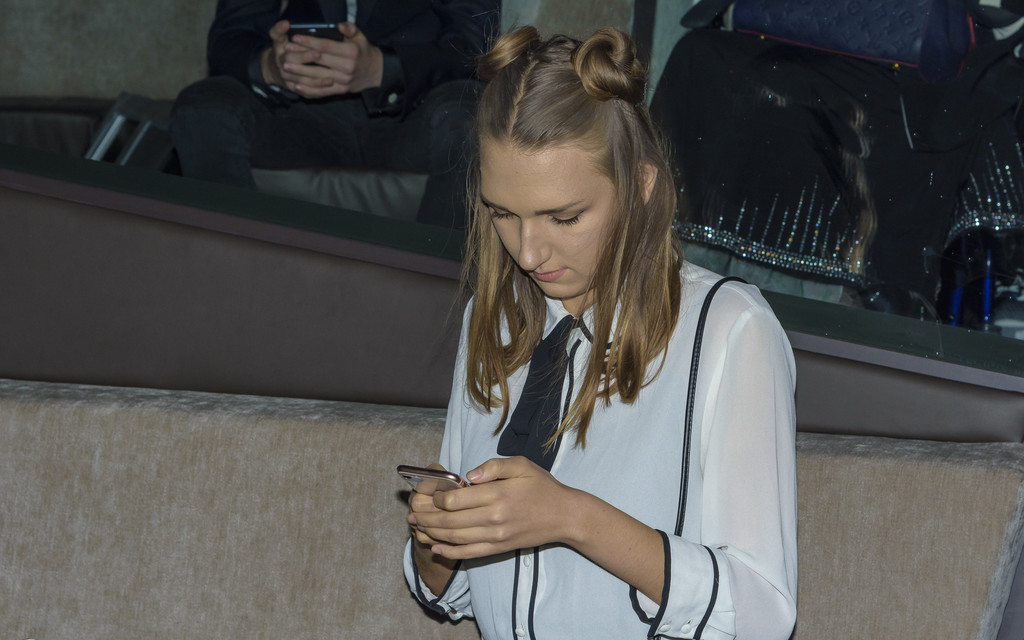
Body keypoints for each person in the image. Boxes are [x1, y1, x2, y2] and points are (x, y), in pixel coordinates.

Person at [402, 26, 798, 639]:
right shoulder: (495, 317)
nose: (528, 252)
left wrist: (571, 517)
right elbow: (454, 595)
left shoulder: (729, 329)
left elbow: (763, 613)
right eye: (503, 213)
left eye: (564, 217)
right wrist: (440, 535)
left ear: (641, 186)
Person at [169, 0, 500, 228]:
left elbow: (474, 47)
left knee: (470, 113)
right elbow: (230, 37)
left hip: (414, 116)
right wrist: (270, 66)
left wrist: (383, 69)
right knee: (202, 107)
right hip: (298, 115)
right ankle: (230, 278)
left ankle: (435, 296)